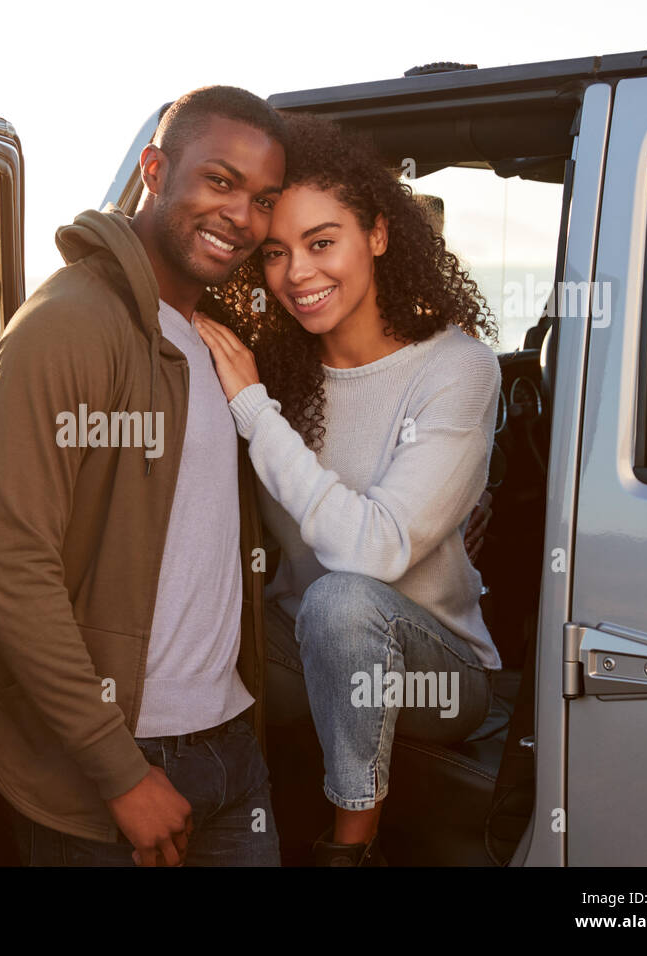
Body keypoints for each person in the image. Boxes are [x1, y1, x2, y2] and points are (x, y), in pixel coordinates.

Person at [0, 86, 288, 866]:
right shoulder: (70, 325)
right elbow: (9, 569)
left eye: (263, 198)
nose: (241, 216)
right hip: (108, 772)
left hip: (228, 744)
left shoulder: (207, 336)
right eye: (219, 181)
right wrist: (120, 774)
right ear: (154, 170)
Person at [194, 114, 503, 866]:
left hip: (436, 674)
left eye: (322, 242)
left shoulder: (457, 369)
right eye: (276, 253)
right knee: (184, 619)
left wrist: (254, 411)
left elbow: (374, 550)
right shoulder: (275, 368)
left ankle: (349, 852)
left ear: (378, 236)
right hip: (298, 652)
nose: (298, 273)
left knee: (344, 600)